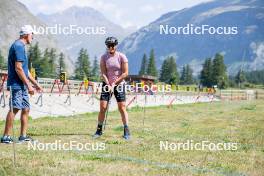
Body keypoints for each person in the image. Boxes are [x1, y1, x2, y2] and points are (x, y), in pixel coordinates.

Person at [0, 25, 42, 144]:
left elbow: (25, 70)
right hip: (16, 84)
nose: (33, 37)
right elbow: (18, 68)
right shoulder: (18, 46)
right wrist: (29, 86)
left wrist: (35, 84)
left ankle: (23, 136)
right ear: (26, 35)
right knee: (15, 108)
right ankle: (6, 136)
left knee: (26, 108)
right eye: (32, 35)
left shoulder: (21, 47)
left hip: (22, 85)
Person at [93, 36, 130, 140]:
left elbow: (125, 73)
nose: (111, 47)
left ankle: (126, 131)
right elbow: (103, 73)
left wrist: (114, 84)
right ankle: (99, 130)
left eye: (112, 45)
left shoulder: (122, 57)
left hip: (119, 84)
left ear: (116, 46)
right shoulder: (104, 57)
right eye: (109, 46)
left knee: (122, 108)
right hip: (107, 84)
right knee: (103, 107)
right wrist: (108, 84)